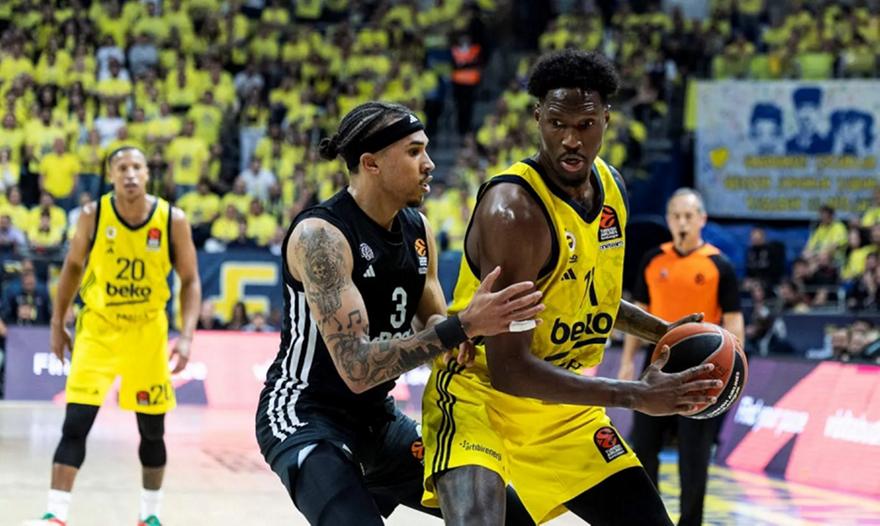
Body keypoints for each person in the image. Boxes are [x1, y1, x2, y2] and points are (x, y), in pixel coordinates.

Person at [420, 49, 722, 526]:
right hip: (483, 396)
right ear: (537, 117)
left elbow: (589, 297)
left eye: (585, 124)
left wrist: (664, 332)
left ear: (607, 119)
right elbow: (511, 369)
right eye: (557, 123)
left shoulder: (612, 188)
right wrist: (635, 395)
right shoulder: (514, 211)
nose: (571, 139)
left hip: (562, 405)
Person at [254, 102, 544, 526]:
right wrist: (460, 326)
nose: (429, 164)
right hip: (306, 414)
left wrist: (470, 332)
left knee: (513, 518)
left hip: (378, 420)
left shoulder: (417, 229)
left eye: (425, 149)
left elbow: (434, 323)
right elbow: (357, 368)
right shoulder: (321, 237)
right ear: (371, 164)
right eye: (413, 152)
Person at [24, 146, 202, 526]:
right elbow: (72, 268)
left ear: (147, 173)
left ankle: (149, 516)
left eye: (137, 167)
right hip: (99, 331)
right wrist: (57, 323)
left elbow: (190, 281)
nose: (130, 174)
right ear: (111, 176)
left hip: (147, 333)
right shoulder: (93, 214)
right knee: (76, 423)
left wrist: (187, 336)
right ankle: (56, 515)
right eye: (122, 168)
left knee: (151, 431)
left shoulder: (173, 219)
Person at [618, 188, 745, 526]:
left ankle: (691, 522)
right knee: (643, 447)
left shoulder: (719, 264)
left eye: (689, 216)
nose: (682, 222)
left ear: (702, 219)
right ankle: (650, 519)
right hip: (657, 361)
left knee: (694, 455)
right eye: (676, 216)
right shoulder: (652, 260)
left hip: (703, 366)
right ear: (668, 220)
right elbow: (637, 315)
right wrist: (628, 361)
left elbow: (734, 320)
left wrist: (737, 369)